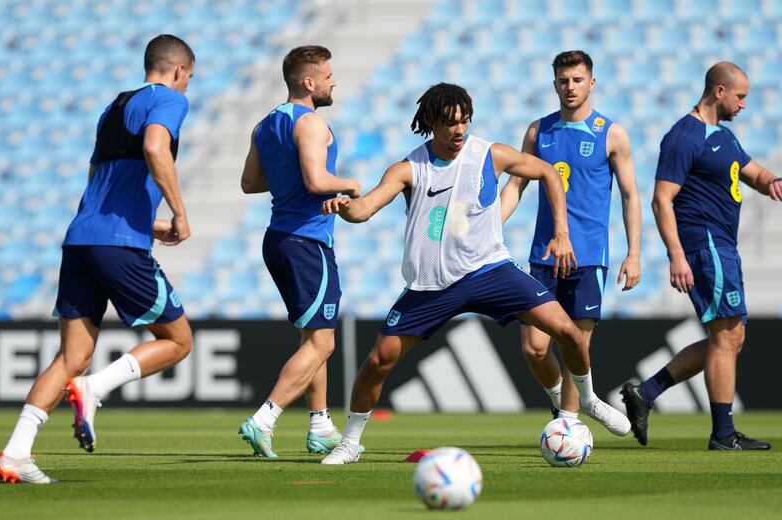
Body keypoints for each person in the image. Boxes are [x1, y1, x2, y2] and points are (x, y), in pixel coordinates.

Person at [319, 83, 630, 465]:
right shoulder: (409, 168)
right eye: (450, 123)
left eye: (465, 121)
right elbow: (366, 207)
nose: (459, 130)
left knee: (567, 331)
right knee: (378, 361)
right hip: (432, 285)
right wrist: (346, 208)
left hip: (490, 270)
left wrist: (561, 232)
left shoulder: (491, 153)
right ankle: (350, 443)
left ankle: (588, 399)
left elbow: (548, 173)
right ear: (431, 122)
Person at [0, 35, 197, 484]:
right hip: (119, 243)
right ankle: (96, 389)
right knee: (180, 340)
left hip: (82, 238)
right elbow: (155, 147)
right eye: (189, 80)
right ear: (180, 71)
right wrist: (179, 214)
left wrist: (151, 224)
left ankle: (15, 454)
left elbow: (98, 183)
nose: (187, 89)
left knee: (72, 355)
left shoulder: (112, 108)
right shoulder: (168, 100)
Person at [621, 62, 777, 450]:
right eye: (740, 96)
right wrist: (677, 256)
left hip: (722, 244)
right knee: (729, 335)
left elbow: (752, 173)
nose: (744, 105)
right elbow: (661, 200)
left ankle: (647, 393)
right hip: (705, 244)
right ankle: (723, 435)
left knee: (726, 337)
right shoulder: (684, 136)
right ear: (718, 92)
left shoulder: (723, 137)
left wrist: (773, 181)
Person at [500, 50, 641, 424]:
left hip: (588, 256)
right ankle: (570, 401)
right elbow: (515, 185)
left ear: (591, 82)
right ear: (554, 84)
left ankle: (568, 425)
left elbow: (630, 195)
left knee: (576, 347)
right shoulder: (538, 130)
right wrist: (489, 225)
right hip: (544, 255)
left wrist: (634, 253)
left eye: (578, 79)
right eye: (563, 80)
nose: (570, 87)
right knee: (533, 347)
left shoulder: (611, 134)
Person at [238, 45, 361, 458]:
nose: (333, 82)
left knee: (314, 337)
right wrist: (350, 185)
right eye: (328, 75)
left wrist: (291, 178)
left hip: (278, 238)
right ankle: (264, 419)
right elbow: (315, 181)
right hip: (307, 241)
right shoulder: (309, 123)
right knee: (322, 343)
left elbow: (250, 183)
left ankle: (321, 425)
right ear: (309, 83)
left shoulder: (265, 124)